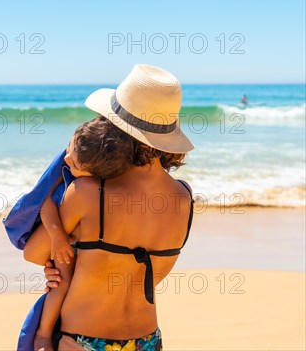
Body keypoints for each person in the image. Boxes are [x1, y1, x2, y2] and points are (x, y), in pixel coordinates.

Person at [23, 64, 195, 351]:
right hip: (147, 340)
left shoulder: (91, 192)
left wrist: (62, 260)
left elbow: (34, 253)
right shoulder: (184, 197)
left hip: (83, 338)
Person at [34, 116, 135, 351]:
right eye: (70, 148)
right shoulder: (73, 184)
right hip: (70, 246)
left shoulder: (100, 187)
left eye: (76, 165)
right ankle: (43, 334)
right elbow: (45, 204)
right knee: (62, 281)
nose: (67, 159)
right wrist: (58, 237)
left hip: (94, 257)